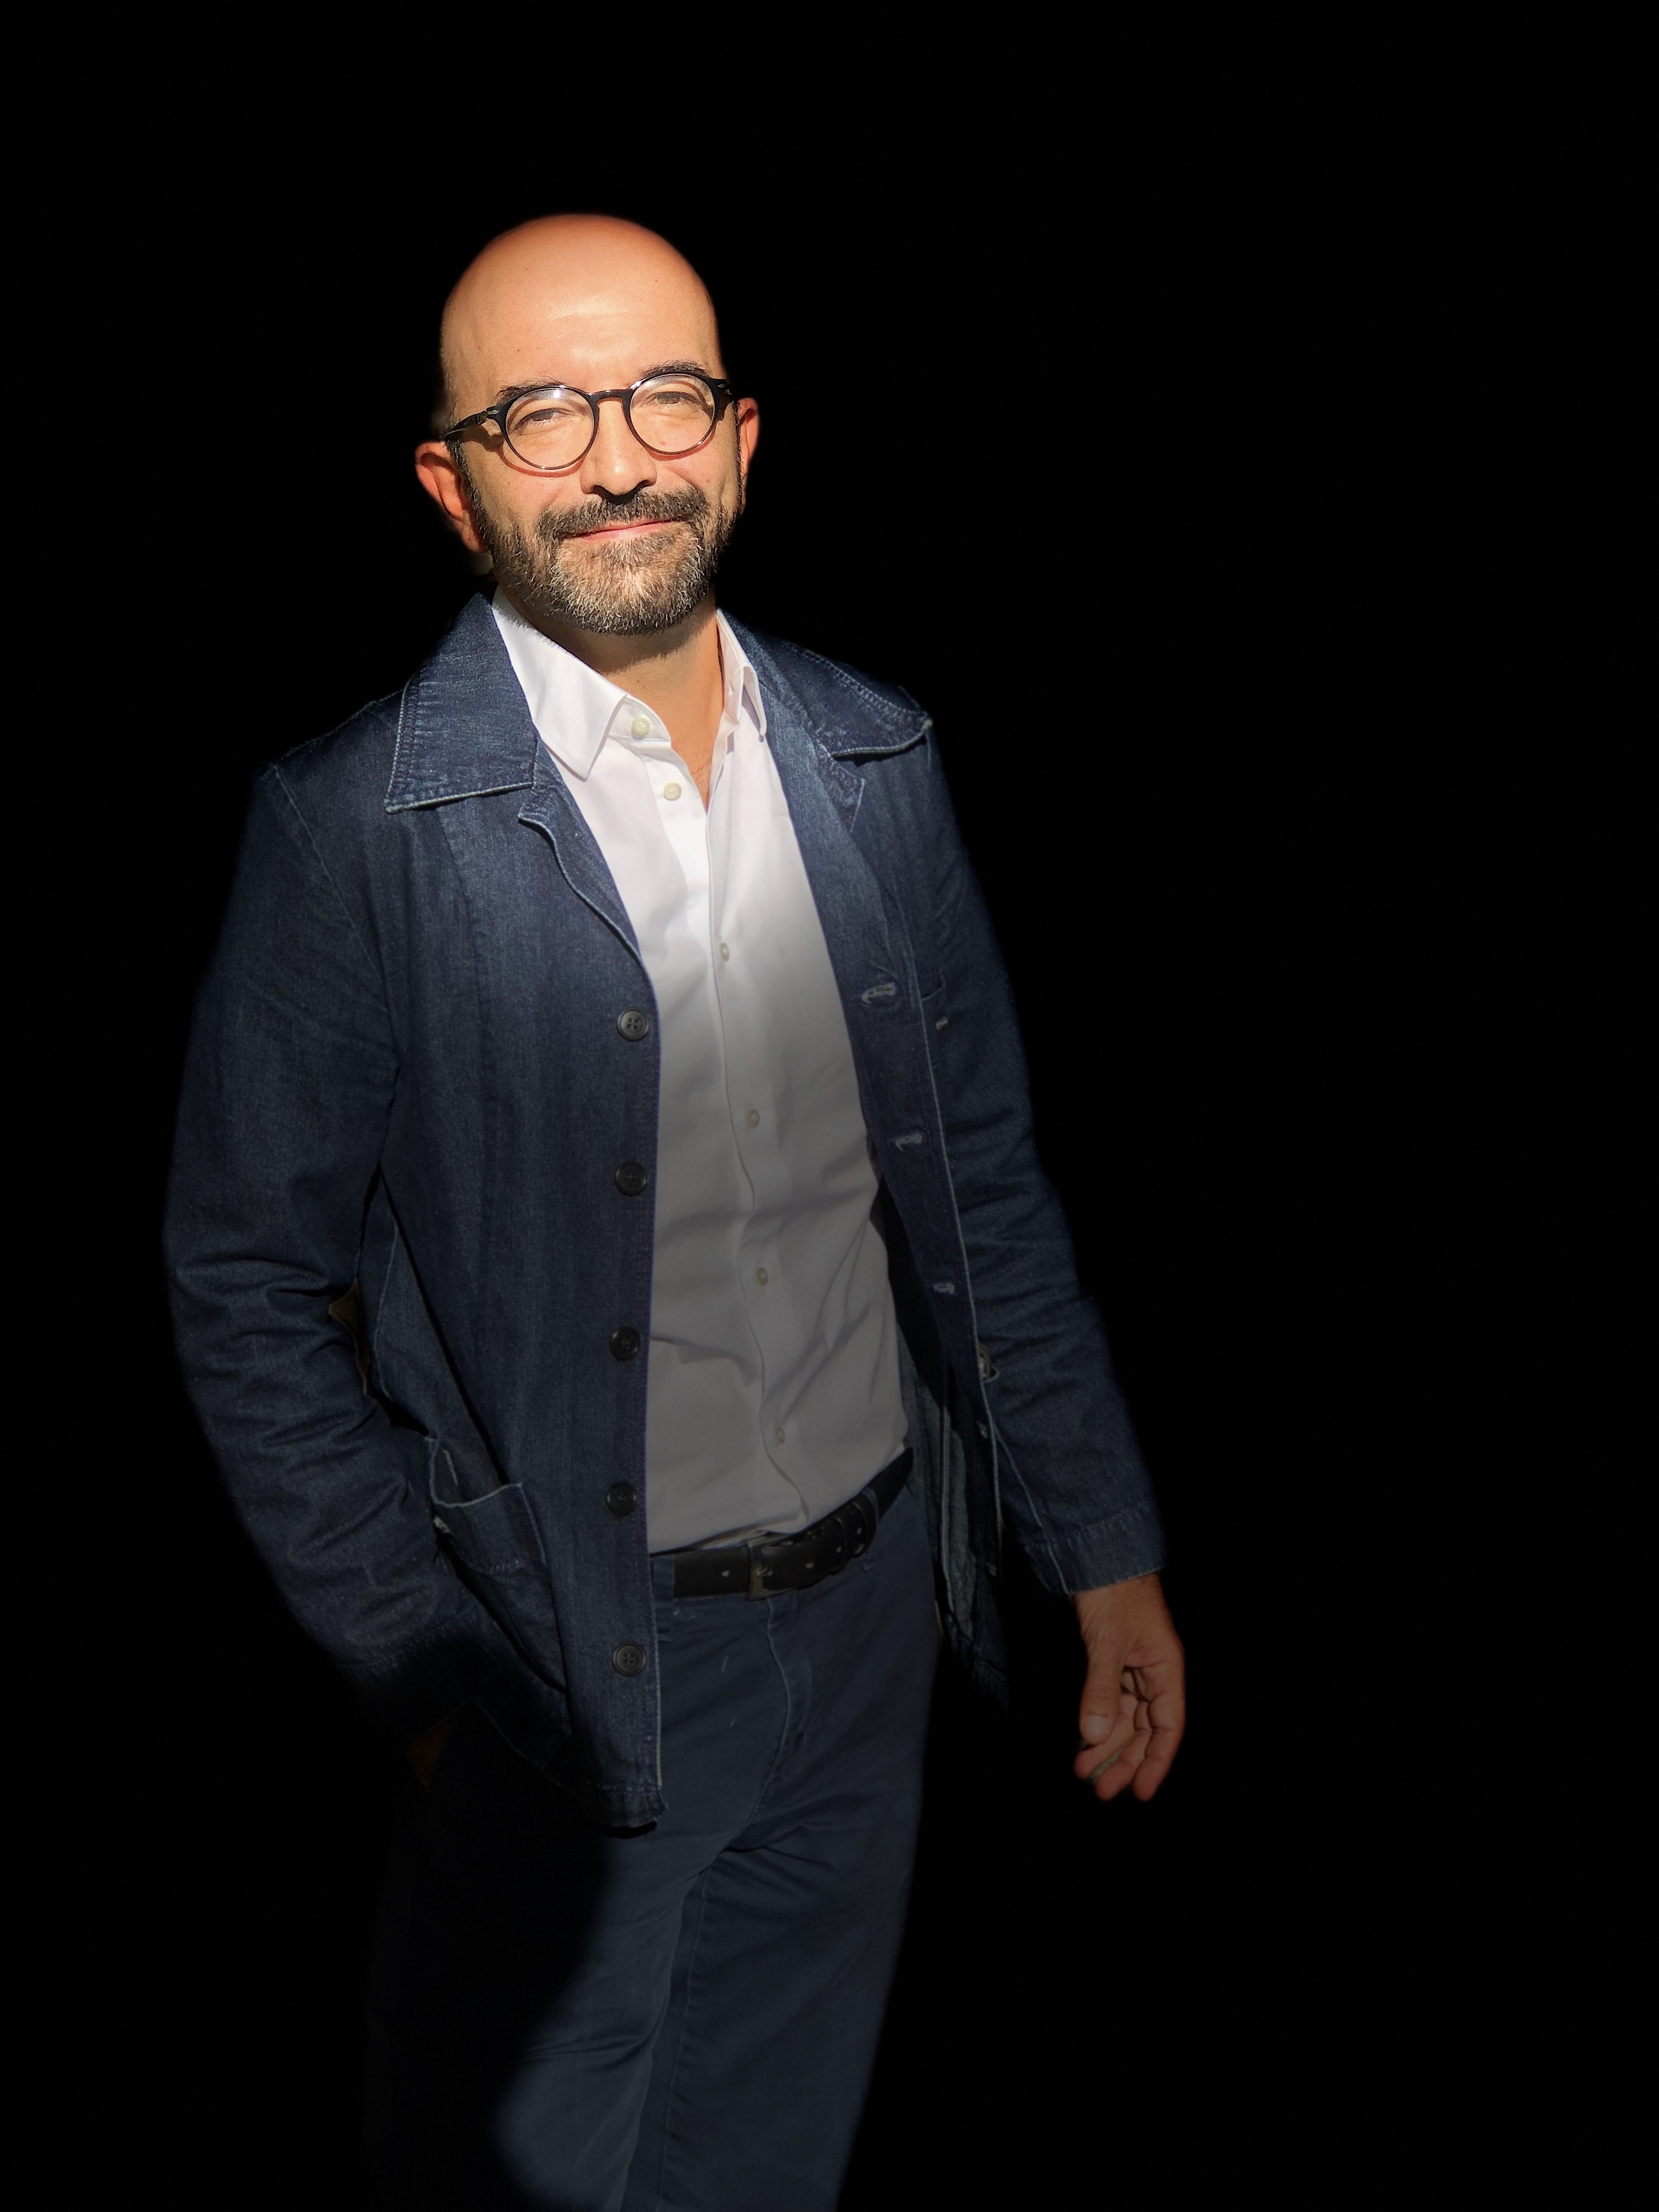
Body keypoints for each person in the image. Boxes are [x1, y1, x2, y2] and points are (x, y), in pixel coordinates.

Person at [165, 213, 1187, 2211]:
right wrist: (427, 1675)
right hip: (571, 1682)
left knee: (763, 2167)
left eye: (665, 397)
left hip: (876, 1639)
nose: (620, 457)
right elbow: (244, 1282)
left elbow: (981, 1186)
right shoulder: (355, 827)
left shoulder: (877, 760)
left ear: (740, 438)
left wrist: (1106, 1549)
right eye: (543, 413)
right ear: (454, 485)